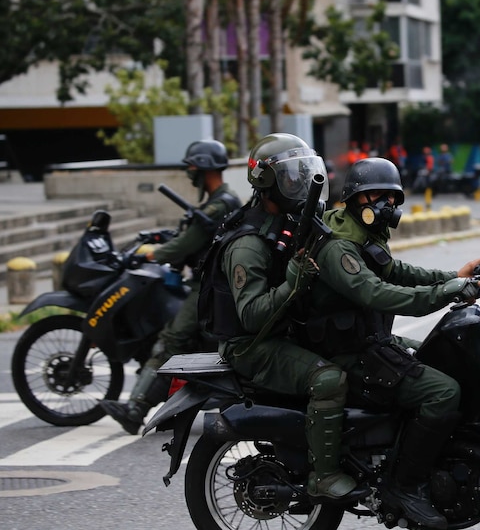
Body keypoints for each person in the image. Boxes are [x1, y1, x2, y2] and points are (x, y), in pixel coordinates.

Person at [301, 157, 480, 529]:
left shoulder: (363, 236)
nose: (386, 205)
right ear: (355, 199)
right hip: (346, 351)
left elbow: (398, 271)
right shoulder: (339, 247)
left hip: (368, 339)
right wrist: (447, 292)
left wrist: (454, 274)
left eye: (391, 197)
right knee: (442, 392)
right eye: (377, 196)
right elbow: (378, 293)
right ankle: (405, 486)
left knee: (446, 356)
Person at [209, 133, 366, 503]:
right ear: (267, 182)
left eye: (302, 173)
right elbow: (250, 316)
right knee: (328, 380)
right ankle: (324, 477)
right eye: (290, 175)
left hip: (279, 331)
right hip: (251, 345)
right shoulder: (248, 244)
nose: (297, 183)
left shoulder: (288, 223)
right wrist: (294, 280)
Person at [101, 139, 242, 435]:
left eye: (192, 166)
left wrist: (150, 254)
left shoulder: (221, 202)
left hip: (209, 288)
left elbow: (187, 243)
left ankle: (137, 408)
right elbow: (191, 235)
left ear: (203, 168)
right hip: (210, 284)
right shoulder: (218, 200)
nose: (189, 171)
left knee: (172, 340)